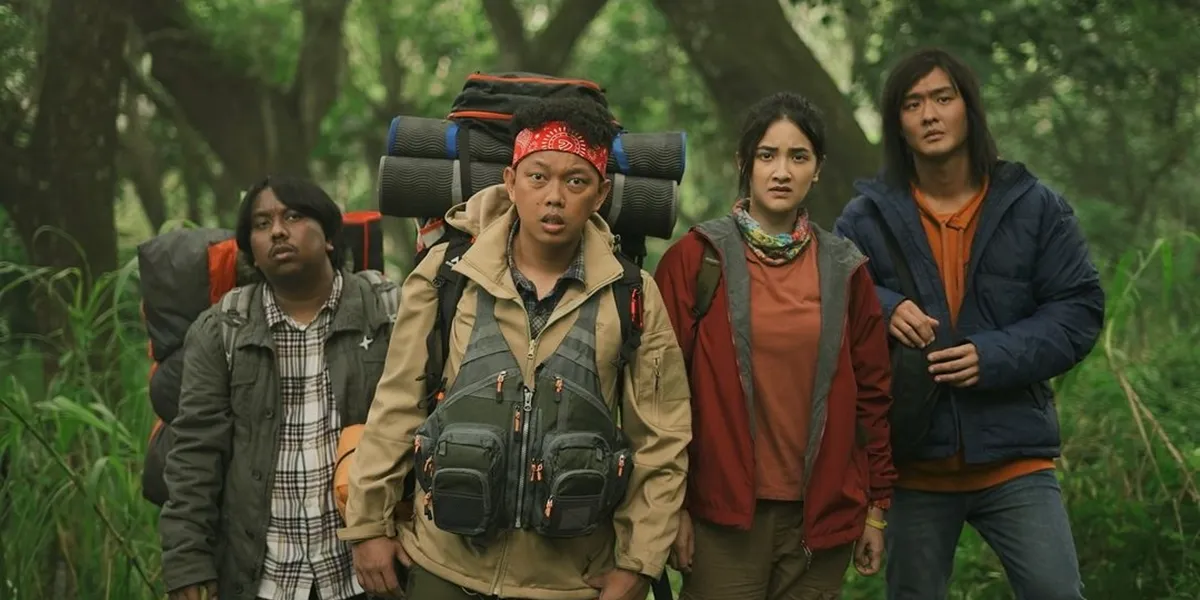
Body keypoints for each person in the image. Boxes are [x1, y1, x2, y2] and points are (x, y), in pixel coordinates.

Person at [339, 97, 692, 600]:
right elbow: (397, 402)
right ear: (510, 182)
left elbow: (660, 438)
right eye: (537, 177)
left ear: (600, 194)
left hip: (569, 580)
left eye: (576, 182)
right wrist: (368, 526)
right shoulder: (448, 275)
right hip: (443, 565)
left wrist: (638, 563)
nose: (554, 197)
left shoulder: (631, 294)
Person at [833, 48, 1105, 600]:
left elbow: (1078, 309)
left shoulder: (1034, 207)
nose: (930, 115)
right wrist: (885, 308)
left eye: (943, 98)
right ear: (898, 123)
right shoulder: (866, 218)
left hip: (1015, 458)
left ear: (969, 109)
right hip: (914, 465)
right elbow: (830, 294)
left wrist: (992, 356)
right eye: (913, 104)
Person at [653, 91, 898, 600]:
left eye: (798, 157)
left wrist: (876, 509)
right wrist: (670, 507)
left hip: (820, 520)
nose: (782, 171)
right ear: (744, 163)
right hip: (723, 518)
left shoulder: (845, 269)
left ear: (817, 169)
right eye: (767, 155)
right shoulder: (696, 259)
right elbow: (657, 395)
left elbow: (873, 397)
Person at [160, 177, 397, 600]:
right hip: (262, 577)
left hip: (365, 572)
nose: (278, 232)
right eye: (262, 223)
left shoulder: (385, 313)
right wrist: (187, 561)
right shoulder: (222, 330)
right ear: (251, 251)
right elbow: (196, 451)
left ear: (328, 236)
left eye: (293, 216)